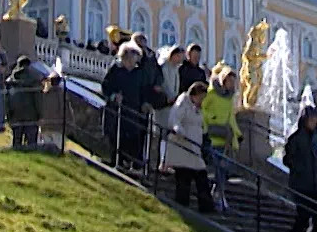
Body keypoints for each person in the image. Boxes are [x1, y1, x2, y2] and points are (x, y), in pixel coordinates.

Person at [161, 80, 212, 210]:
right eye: (201, 97)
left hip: (194, 147)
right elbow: (175, 119)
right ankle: (183, 204)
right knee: (185, 176)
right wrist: (180, 131)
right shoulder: (183, 102)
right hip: (183, 146)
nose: (202, 100)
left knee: (201, 174)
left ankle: (206, 206)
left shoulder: (198, 108)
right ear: (195, 94)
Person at [283, 107, 317, 232]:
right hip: (301, 184)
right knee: (303, 214)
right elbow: (287, 159)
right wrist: (299, 167)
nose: (313, 122)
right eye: (311, 120)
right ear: (305, 120)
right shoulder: (296, 138)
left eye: (315, 120)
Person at [101, 44, 150, 171]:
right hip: (116, 110)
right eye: (131, 60)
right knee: (116, 136)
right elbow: (105, 87)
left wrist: (145, 103)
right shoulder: (115, 70)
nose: (133, 64)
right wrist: (113, 96)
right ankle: (116, 161)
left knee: (133, 138)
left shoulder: (138, 73)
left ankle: (133, 164)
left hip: (133, 111)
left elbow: (144, 90)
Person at [200, 68, 243, 200]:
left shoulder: (229, 99)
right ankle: (209, 192)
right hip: (212, 135)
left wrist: (237, 133)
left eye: (233, 81)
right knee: (213, 167)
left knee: (223, 168)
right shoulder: (211, 94)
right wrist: (211, 119)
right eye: (229, 80)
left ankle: (218, 193)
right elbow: (201, 108)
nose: (231, 83)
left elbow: (231, 118)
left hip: (224, 137)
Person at [7, 55, 46, 149]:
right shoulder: (35, 78)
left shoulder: (11, 79)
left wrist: (9, 116)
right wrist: (41, 115)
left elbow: (7, 99)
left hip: (16, 113)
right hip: (31, 114)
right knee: (31, 143)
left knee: (16, 142)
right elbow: (38, 99)